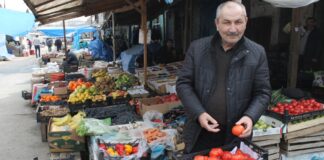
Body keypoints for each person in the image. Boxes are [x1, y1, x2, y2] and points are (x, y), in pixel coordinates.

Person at [176, 1, 271, 153]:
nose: (233, 29)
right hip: (200, 132)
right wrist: (199, 113)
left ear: (246, 22)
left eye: (238, 22)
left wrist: (250, 117)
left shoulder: (257, 52)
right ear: (217, 23)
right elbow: (183, 84)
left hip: (236, 134)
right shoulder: (198, 48)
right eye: (227, 22)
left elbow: (263, 93)